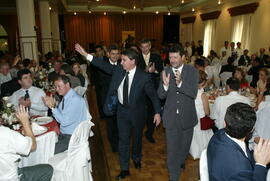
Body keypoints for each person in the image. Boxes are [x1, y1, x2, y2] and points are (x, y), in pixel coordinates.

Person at [75, 43, 161, 180]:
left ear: (133, 61)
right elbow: (101, 65)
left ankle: (137, 158)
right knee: (123, 140)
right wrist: (86, 55)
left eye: (124, 60)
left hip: (138, 113)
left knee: (137, 139)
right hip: (122, 112)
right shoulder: (118, 71)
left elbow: (153, 96)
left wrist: (157, 112)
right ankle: (124, 168)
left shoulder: (144, 77)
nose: (121, 62)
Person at [158, 45, 199, 181]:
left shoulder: (192, 72)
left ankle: (179, 162)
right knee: (172, 151)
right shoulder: (165, 71)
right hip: (171, 118)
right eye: (170, 57)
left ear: (183, 57)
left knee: (184, 149)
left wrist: (181, 83)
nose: (172, 60)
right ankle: (173, 177)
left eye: (175, 57)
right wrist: (164, 85)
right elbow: (160, 95)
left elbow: (193, 93)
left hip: (187, 118)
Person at [207, 103, 270, 181]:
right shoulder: (240, 169)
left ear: (225, 123)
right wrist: (261, 164)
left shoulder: (218, 135)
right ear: (252, 129)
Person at [0, 105, 53, 181]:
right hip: (10, 178)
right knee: (48, 169)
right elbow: (32, 146)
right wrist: (25, 123)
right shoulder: (5, 133)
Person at [43, 75, 87, 154]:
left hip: (71, 138)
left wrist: (52, 107)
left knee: (46, 152)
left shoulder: (74, 100)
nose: (57, 89)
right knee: (44, 145)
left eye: (59, 86)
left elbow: (64, 121)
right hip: (64, 134)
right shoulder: (66, 97)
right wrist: (54, 106)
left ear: (67, 85)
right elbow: (60, 114)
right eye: (55, 86)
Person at [138, 38, 163, 143]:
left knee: (153, 112)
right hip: (140, 90)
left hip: (153, 89)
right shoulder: (136, 58)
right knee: (140, 112)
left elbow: (162, 71)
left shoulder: (156, 57)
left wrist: (155, 70)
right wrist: (145, 71)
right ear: (140, 47)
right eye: (142, 47)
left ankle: (149, 133)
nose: (145, 49)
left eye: (147, 46)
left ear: (150, 46)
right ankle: (137, 133)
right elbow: (134, 73)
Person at [189, 70, 213, 159]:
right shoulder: (202, 95)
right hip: (201, 122)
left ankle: (192, 150)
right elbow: (207, 112)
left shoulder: (189, 91)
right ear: (203, 82)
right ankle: (201, 152)